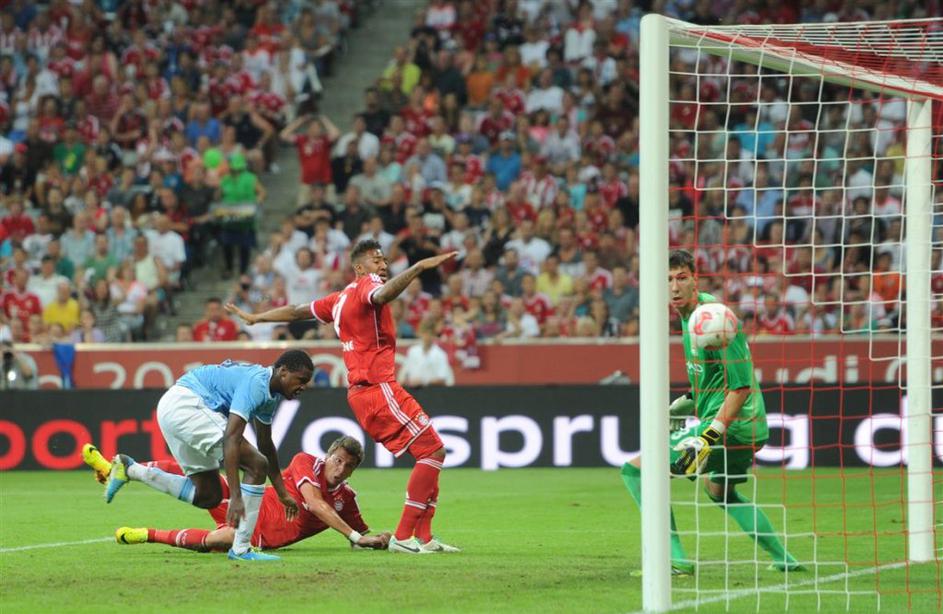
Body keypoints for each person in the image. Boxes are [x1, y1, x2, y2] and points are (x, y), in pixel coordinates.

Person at [226, 240, 460, 554]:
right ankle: (405, 536)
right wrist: (418, 267)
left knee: (432, 452)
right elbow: (382, 294)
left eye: (384, 261)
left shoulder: (338, 299)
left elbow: (296, 312)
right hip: (378, 385)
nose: (383, 265)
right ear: (360, 267)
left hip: (365, 392)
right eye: (376, 260)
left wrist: (257, 318)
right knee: (432, 450)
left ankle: (425, 537)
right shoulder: (367, 285)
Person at [620, 249, 800, 575]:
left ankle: (672, 560)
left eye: (681, 278)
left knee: (636, 472)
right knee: (720, 491)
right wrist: (684, 403)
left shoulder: (713, 319)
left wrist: (709, 435)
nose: (674, 287)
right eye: (667, 280)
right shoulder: (689, 318)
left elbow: (740, 387)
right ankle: (784, 558)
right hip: (749, 428)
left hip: (731, 425)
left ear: (695, 280)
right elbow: (714, 380)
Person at [100, 351, 314, 562]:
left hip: (173, 406)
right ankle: (241, 548)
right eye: (301, 380)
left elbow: (266, 444)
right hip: (188, 405)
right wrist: (236, 496)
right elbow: (231, 438)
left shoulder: (268, 396)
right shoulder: (256, 384)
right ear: (283, 372)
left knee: (208, 495)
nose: (304, 386)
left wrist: (282, 493)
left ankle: (130, 469)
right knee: (256, 464)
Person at [82, 437, 390, 553]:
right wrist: (355, 536)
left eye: (348, 465)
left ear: (353, 471)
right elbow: (314, 503)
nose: (340, 468)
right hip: (245, 501)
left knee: (221, 540)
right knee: (207, 479)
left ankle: (146, 534)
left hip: (257, 537)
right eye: (338, 460)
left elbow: (360, 539)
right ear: (329, 454)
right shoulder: (306, 462)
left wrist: (380, 539)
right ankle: (122, 467)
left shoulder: (347, 499)